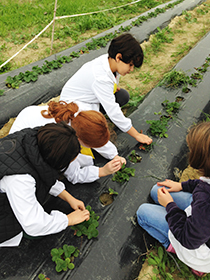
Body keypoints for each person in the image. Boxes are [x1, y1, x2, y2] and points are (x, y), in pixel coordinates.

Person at [136, 121, 210, 277]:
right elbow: (202, 184)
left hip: (195, 244)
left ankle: (175, 249)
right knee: (157, 190)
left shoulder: (205, 202)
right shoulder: (205, 192)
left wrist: (170, 205)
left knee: (143, 213)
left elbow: (188, 238)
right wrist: (181, 186)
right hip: (201, 222)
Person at [0, 122, 90, 247]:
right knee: (33, 230)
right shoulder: (20, 179)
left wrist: (68, 197)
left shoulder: (32, 139)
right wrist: (68, 220)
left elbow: (42, 172)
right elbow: (33, 224)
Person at [60, 33, 152, 146]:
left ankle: (96, 119)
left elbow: (108, 83)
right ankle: (81, 129)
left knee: (122, 96)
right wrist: (136, 135)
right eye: (130, 65)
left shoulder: (109, 62)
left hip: (88, 100)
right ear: (118, 57)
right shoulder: (100, 77)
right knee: (98, 138)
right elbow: (114, 111)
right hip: (72, 109)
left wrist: (112, 87)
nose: (131, 69)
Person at [9, 100, 126, 184]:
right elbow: (74, 175)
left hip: (29, 117)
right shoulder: (61, 139)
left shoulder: (80, 116)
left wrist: (114, 156)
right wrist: (102, 171)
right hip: (17, 150)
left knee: (85, 160)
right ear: (79, 140)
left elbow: (95, 134)